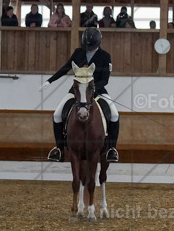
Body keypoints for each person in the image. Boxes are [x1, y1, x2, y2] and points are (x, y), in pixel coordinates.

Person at [43, 27, 120, 163]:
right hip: (77, 91)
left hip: (97, 90)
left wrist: (93, 88)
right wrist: (50, 80)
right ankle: (59, 148)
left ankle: (111, 149)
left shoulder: (105, 56)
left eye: (91, 47)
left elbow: (105, 79)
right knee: (57, 114)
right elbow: (66, 67)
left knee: (114, 114)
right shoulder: (78, 52)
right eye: (87, 46)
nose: (88, 49)